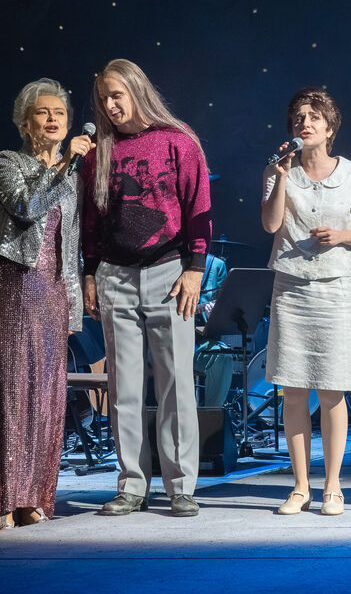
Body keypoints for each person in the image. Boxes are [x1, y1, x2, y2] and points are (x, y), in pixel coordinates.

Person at [0, 78, 92, 536]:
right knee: (8, 391)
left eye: (61, 112)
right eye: (43, 112)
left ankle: (31, 498)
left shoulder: (74, 176)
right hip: (14, 284)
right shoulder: (8, 162)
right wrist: (65, 163)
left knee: (46, 394)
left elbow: (71, 244)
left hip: (53, 291)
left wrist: (74, 299)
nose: (53, 119)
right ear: (25, 121)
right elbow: (26, 207)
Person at [80, 59, 211, 517]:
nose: (110, 106)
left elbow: (199, 206)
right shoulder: (98, 152)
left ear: (137, 91)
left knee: (176, 384)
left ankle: (181, 487)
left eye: (116, 95)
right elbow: (91, 221)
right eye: (103, 99)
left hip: (169, 271)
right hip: (114, 275)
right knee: (124, 388)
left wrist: (195, 268)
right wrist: (90, 273)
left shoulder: (178, 140)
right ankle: (132, 485)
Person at [261, 88, 351, 516]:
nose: (304, 123)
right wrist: (281, 176)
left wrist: (341, 236)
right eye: (298, 117)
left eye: (313, 117)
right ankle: (300, 486)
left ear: (330, 128)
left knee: (331, 391)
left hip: (333, 290)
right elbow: (270, 223)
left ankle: (332, 486)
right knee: (293, 392)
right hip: (290, 289)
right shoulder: (278, 170)